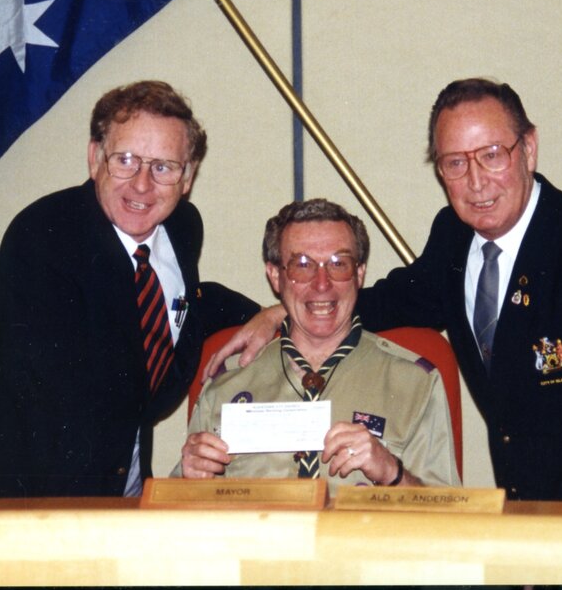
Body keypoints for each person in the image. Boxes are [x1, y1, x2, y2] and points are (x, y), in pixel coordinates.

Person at [215, 78, 562, 505]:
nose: (475, 182)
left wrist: (555, 551)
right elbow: (385, 300)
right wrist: (282, 309)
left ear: (528, 149)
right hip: (536, 508)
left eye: (491, 156)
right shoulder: (454, 235)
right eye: (454, 163)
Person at [0, 80, 260, 498]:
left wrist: (269, 313)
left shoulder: (181, 226)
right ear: (94, 157)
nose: (141, 184)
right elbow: (82, 384)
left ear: (187, 177)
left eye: (163, 167)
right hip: (32, 495)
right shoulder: (43, 236)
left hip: (125, 488)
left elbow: (184, 301)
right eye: (126, 160)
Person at [175, 199, 459, 490]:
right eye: (302, 265)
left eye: (339, 264)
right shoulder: (228, 382)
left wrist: (392, 473)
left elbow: (451, 521)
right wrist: (189, 480)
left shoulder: (414, 383)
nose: (322, 283)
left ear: (359, 273)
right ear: (275, 276)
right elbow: (175, 519)